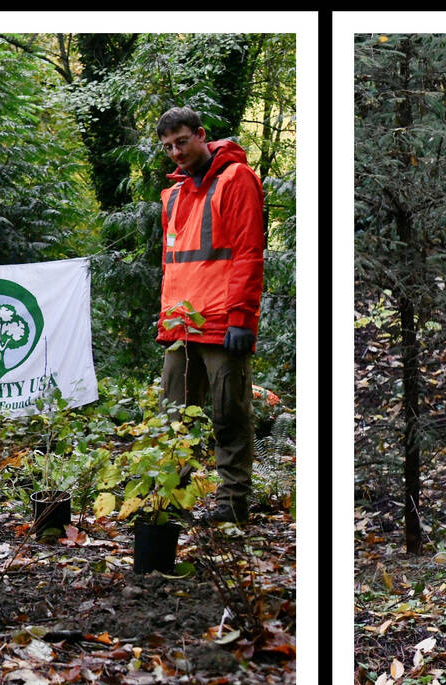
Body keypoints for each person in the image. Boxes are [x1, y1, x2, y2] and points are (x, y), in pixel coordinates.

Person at [155, 107, 266, 527]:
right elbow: (173, 265)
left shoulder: (236, 180)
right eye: (168, 147)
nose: (176, 152)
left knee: (229, 416)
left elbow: (248, 252)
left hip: (222, 323)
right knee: (172, 418)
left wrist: (242, 317)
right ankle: (173, 502)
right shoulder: (173, 194)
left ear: (201, 135)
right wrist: (167, 320)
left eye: (182, 141)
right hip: (180, 326)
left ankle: (232, 506)